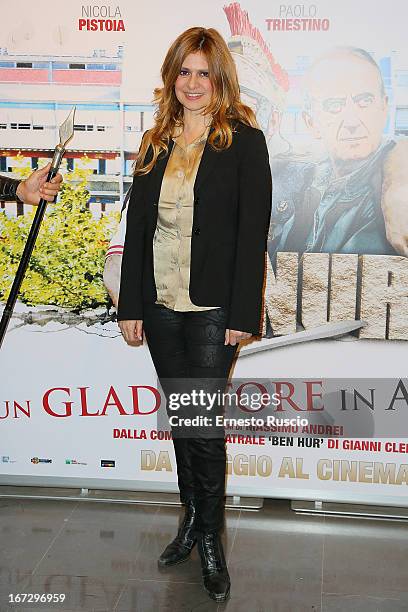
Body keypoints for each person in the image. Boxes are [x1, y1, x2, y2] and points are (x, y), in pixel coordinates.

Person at [116, 27, 271, 602]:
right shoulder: (155, 141)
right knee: (184, 422)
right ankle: (189, 521)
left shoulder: (245, 143)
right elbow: (137, 230)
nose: (192, 83)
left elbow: (252, 232)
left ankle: (210, 538)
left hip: (211, 310)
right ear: (172, 77)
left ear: (220, 79)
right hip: (160, 306)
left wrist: (241, 312)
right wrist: (131, 306)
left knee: (203, 426)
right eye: (184, 71)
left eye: (203, 72)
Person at [269, 46, 408, 259]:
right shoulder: (296, 179)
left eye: (365, 101)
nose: (352, 120)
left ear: (384, 108)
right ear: (311, 122)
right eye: (334, 105)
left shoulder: (396, 191)